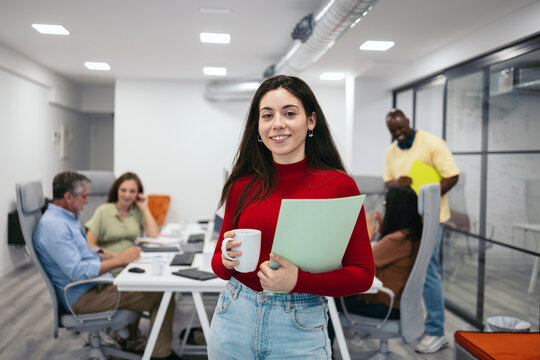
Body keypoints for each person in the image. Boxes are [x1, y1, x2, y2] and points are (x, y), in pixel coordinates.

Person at [208, 75, 375, 359]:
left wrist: (299, 281)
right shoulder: (241, 185)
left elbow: (362, 275)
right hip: (234, 316)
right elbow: (220, 267)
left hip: (299, 325)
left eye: (289, 113)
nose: (277, 124)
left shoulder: (338, 186)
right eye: (267, 115)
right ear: (257, 126)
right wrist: (225, 258)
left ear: (311, 121)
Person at [33, 171, 180, 360]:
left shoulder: (66, 218)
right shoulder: (54, 227)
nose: (87, 201)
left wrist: (102, 254)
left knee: (157, 289)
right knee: (162, 294)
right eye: (84, 196)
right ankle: (161, 355)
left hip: (95, 285)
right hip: (82, 297)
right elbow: (78, 271)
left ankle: (152, 347)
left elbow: (83, 253)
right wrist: (119, 260)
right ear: (69, 197)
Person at [383, 109, 459, 354]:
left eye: (401, 127)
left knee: (428, 272)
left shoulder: (432, 143)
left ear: (409, 122)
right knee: (408, 271)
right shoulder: (392, 151)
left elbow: (452, 176)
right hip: (406, 221)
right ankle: (411, 322)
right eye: (393, 131)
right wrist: (399, 183)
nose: (398, 133)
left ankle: (437, 331)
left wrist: (427, 197)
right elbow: (387, 182)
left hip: (430, 219)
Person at [85, 172, 159, 264]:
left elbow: (154, 235)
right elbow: (89, 245)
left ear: (138, 194)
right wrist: (119, 257)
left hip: (131, 264)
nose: (127, 195)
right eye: (123, 190)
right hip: (110, 265)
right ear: (117, 191)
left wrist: (145, 208)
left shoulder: (136, 211)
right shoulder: (103, 211)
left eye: (132, 191)